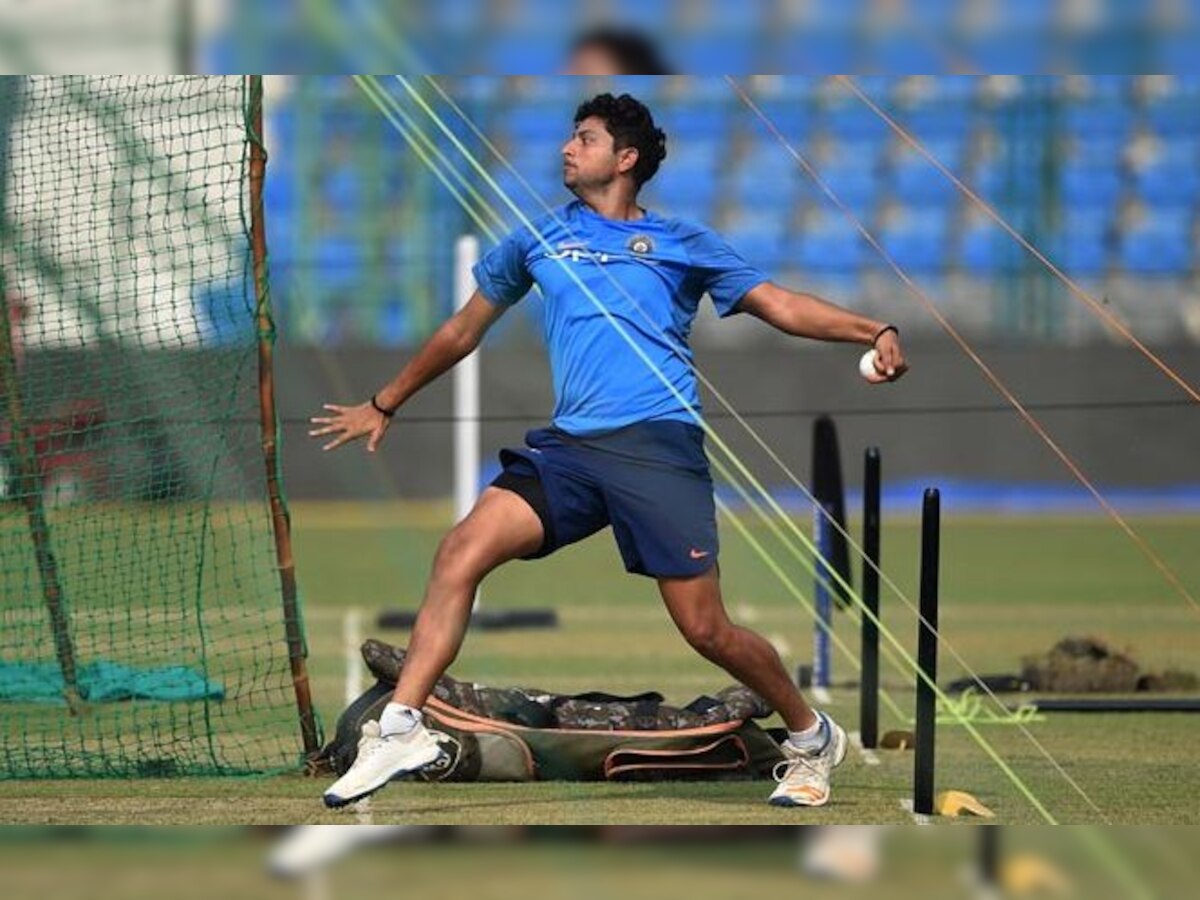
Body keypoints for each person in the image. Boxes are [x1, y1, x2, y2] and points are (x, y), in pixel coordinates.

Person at [309, 92, 908, 810]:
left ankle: (812, 737)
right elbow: (463, 329)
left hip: (658, 447)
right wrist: (385, 402)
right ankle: (401, 725)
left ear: (624, 159)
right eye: (569, 137)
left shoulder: (684, 243)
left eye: (584, 138)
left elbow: (780, 305)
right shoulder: (536, 237)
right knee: (460, 550)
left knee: (706, 629)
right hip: (570, 451)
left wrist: (874, 328)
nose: (566, 148)